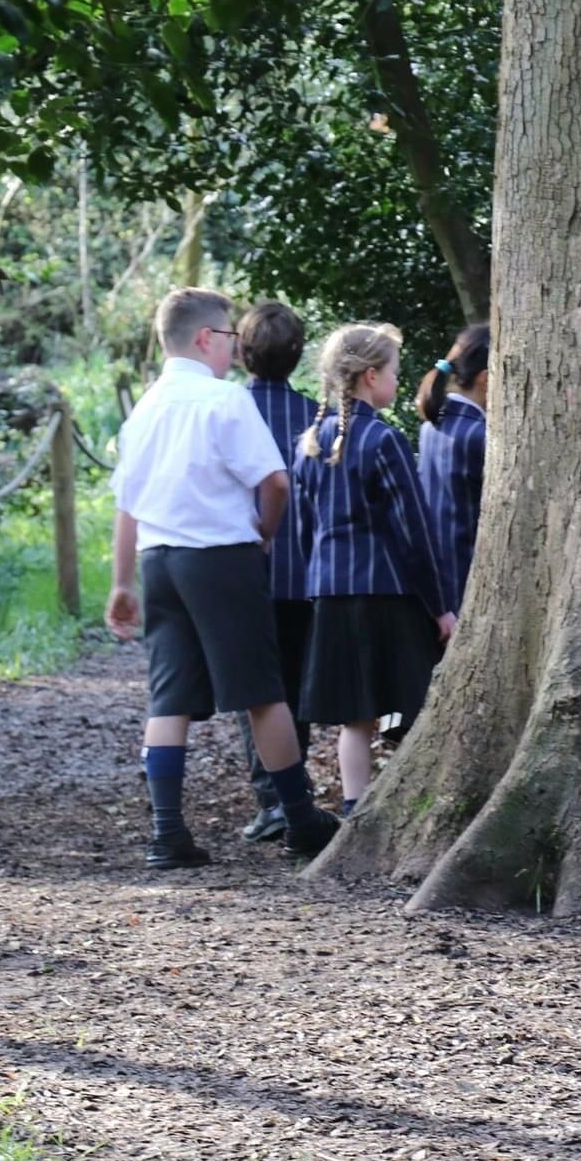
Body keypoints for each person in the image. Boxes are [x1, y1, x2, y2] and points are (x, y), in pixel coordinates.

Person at [105, 286, 337, 869]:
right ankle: (301, 818)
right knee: (262, 692)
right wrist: (263, 532)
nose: (234, 349)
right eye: (230, 337)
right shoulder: (224, 401)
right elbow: (276, 481)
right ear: (206, 338)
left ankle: (167, 833)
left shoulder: (144, 408)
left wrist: (121, 583)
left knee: (170, 696)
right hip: (220, 554)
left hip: (160, 561)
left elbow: (126, 506)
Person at [294, 322, 455, 818]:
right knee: (414, 702)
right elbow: (414, 531)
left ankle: (354, 806)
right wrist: (440, 605)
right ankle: (413, 804)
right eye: (393, 373)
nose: (397, 383)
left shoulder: (310, 444)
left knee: (356, 715)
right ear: (369, 377)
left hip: (329, 592)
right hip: (386, 593)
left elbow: (305, 532)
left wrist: (315, 583)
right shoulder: (383, 440)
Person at [234, 300, 320, 843]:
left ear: (242, 353)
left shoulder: (228, 411)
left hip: (247, 570)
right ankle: (295, 792)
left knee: (256, 691)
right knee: (293, 684)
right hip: (308, 575)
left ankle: (272, 799)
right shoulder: (317, 417)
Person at [416, 322, 490, 615]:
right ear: (485, 379)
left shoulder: (432, 425)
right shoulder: (480, 436)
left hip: (435, 583)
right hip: (469, 583)